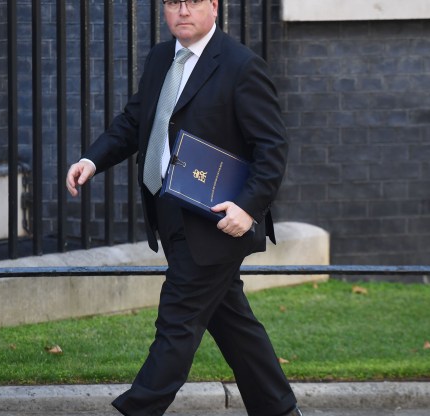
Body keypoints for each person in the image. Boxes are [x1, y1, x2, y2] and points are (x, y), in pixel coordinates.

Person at [65, 0, 299, 415]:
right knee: (234, 326)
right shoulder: (160, 57)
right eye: (173, 2)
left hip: (217, 223)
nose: (182, 10)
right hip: (170, 212)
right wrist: (92, 160)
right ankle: (280, 411)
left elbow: (272, 147)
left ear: (213, 6)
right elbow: (135, 121)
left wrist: (247, 209)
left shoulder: (241, 66)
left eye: (193, 1)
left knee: (176, 325)